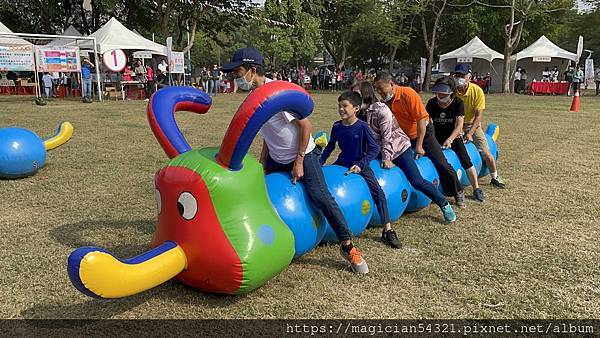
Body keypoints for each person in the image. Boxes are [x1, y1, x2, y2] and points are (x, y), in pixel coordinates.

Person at [221, 47, 369, 273]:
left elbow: (306, 127)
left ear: (252, 70)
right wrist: (263, 164)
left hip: (303, 154)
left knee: (321, 197)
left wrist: (299, 160)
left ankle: (348, 246)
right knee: (260, 195)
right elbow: (267, 135)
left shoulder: (277, 94)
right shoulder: (253, 97)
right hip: (276, 158)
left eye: (238, 72)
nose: (235, 77)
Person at [352, 81, 457, 222]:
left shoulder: (380, 110)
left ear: (366, 95)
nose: (352, 99)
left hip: (398, 148)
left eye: (356, 95)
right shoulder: (357, 114)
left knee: (416, 180)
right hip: (378, 150)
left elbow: (387, 136)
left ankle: (444, 203)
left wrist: (386, 158)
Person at [319, 91, 402, 248]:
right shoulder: (337, 126)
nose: (341, 109)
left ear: (356, 108)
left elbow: (373, 149)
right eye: (339, 106)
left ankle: (388, 230)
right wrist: (320, 163)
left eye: (345, 106)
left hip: (360, 163)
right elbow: (330, 147)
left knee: (379, 194)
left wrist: (361, 164)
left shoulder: (363, 126)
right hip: (342, 162)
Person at [374, 72, 465, 208]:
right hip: (404, 137)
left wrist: (419, 145)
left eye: (381, 88)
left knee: (441, 162)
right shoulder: (384, 102)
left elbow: (421, 120)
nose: (380, 92)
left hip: (424, 133)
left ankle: (458, 191)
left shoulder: (408, 94)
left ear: (392, 84)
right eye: (377, 89)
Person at [426, 77, 485, 202]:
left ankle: (476, 188)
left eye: (444, 93)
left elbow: (459, 125)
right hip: (435, 136)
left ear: (451, 92)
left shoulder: (458, 103)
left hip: (454, 135)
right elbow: (427, 122)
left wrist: (450, 139)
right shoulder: (431, 103)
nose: (440, 95)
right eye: (438, 92)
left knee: (466, 160)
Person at [453, 63, 505, 189]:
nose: (459, 78)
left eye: (462, 75)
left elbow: (478, 116)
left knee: (486, 154)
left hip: (471, 124)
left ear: (469, 77)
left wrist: (470, 133)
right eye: (457, 75)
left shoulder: (477, 91)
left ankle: (495, 176)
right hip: (454, 123)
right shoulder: (451, 90)